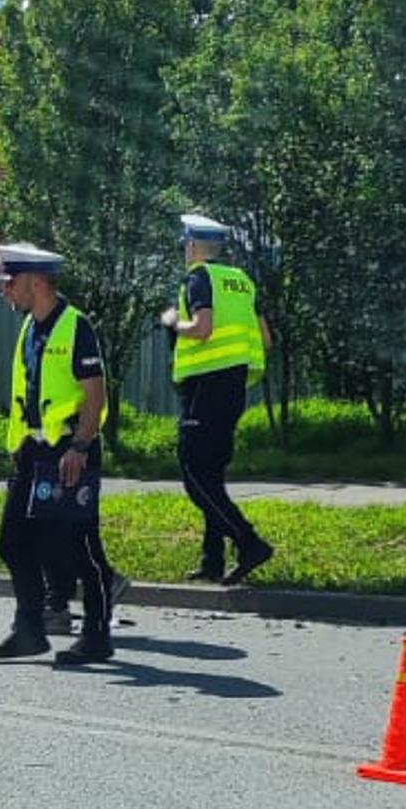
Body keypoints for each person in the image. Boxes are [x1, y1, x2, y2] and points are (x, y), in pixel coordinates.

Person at [0, 243, 117, 665]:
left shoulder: (76, 326)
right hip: (32, 454)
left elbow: (95, 393)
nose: (4, 290)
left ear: (36, 281)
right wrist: (18, 447)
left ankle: (96, 635)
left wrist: (80, 445)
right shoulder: (30, 328)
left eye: (9, 281)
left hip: (68, 452)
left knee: (78, 546)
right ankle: (29, 631)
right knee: (14, 542)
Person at [160, 214, 275, 587]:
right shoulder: (241, 282)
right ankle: (212, 560)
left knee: (194, 474)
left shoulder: (198, 278)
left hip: (205, 390)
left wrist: (174, 322)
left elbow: (203, 328)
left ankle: (248, 542)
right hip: (234, 388)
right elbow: (266, 339)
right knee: (212, 474)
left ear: (191, 246)